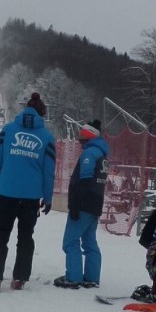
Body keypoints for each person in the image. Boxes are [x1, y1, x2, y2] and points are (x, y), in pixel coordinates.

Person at [0, 92, 56, 292]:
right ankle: (19, 279)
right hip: (31, 197)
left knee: (0, 236)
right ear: (42, 113)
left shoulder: (8, 130)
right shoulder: (47, 138)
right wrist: (48, 198)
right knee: (25, 238)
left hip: (7, 192)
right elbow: (49, 171)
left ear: (25, 110)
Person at [54, 120, 109, 289]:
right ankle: (91, 277)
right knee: (89, 241)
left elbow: (84, 180)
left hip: (84, 204)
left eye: (81, 134)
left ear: (87, 135)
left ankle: (74, 277)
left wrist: (76, 204)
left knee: (70, 241)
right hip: (95, 203)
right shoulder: (102, 154)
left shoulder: (89, 154)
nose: (79, 138)